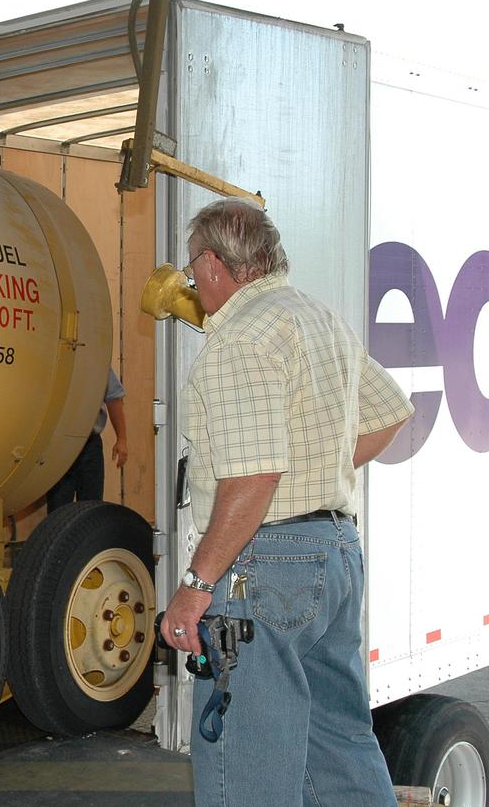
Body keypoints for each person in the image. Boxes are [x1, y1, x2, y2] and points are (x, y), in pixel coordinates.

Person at [159, 198, 413, 806]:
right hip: (335, 555)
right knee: (340, 745)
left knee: (248, 765)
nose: (192, 282)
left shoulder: (240, 339)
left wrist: (196, 586)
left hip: (264, 572)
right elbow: (390, 414)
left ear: (216, 263)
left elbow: (253, 478)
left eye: (193, 269)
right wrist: (315, 468)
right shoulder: (317, 319)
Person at [46, 366, 127, 509]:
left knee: (92, 509)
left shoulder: (98, 360)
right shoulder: (54, 357)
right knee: (58, 512)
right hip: (59, 447)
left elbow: (113, 398)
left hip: (90, 445)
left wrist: (121, 439)